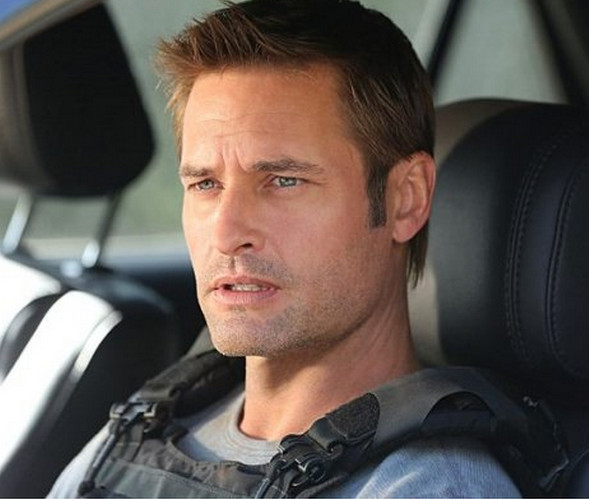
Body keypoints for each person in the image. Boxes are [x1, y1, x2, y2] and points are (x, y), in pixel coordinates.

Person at [49, 0, 520, 497]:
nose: (226, 233)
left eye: (283, 180)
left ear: (406, 199)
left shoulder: (425, 489)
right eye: (206, 184)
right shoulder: (145, 428)